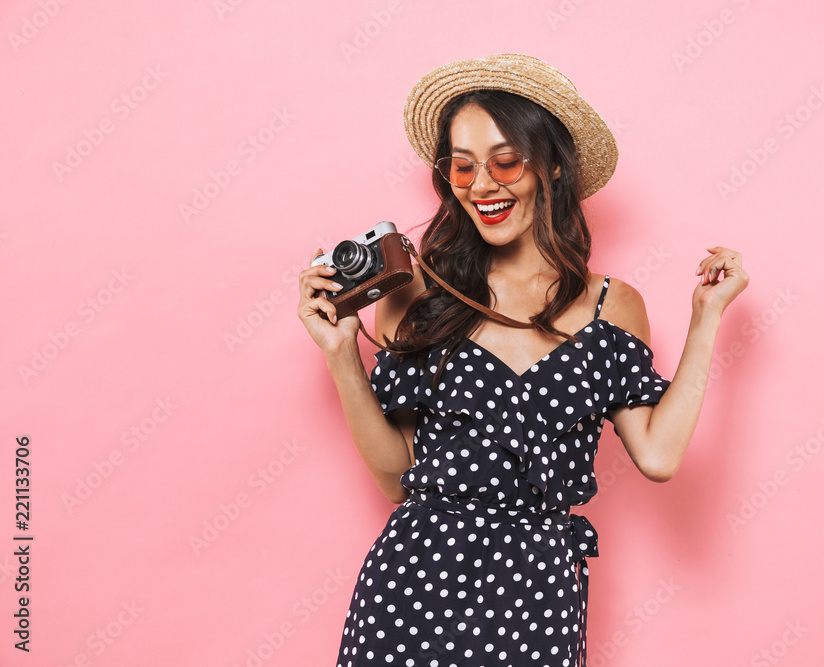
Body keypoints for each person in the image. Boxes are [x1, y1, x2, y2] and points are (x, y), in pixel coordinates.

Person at [297, 54, 748, 667]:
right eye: (462, 166)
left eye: (505, 161)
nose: (482, 185)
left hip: (540, 591)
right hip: (413, 585)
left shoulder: (611, 306)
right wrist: (342, 357)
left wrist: (706, 319)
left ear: (552, 166)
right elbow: (398, 478)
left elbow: (660, 455)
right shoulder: (419, 293)